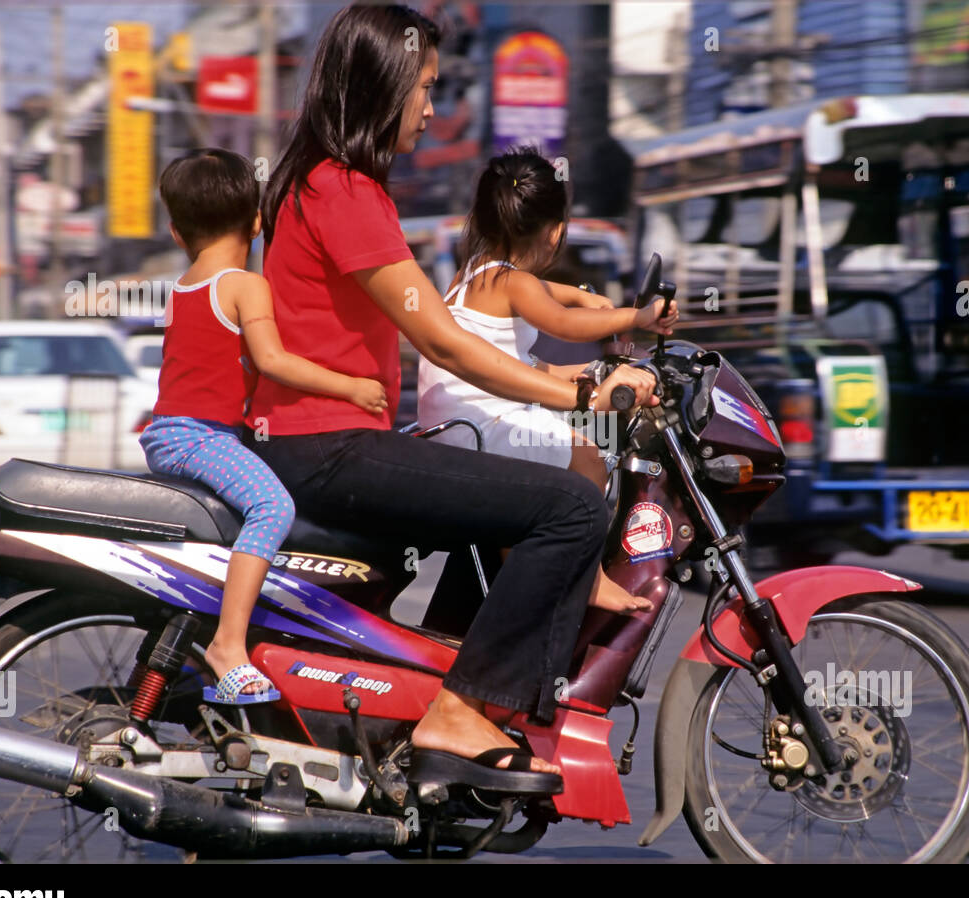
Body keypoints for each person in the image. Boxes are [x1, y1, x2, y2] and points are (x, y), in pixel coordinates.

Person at [250, 4, 658, 781]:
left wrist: (572, 378)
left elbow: (466, 336)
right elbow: (441, 338)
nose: (433, 110)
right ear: (383, 83)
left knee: (496, 493)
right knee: (570, 505)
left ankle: (441, 693)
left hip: (322, 441)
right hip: (329, 447)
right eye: (426, 88)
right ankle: (460, 713)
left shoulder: (323, 182)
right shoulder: (343, 190)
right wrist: (575, 399)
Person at [142, 147, 388, 703]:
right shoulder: (245, 285)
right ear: (257, 221)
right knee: (272, 507)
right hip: (197, 436)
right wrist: (350, 386)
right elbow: (273, 360)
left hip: (173, 433)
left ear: (177, 232)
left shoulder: (183, 286)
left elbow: (223, 367)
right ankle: (229, 644)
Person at [418, 146, 680, 614]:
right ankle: (590, 578)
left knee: (546, 467)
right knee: (589, 456)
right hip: (482, 426)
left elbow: (538, 322)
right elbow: (560, 321)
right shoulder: (515, 283)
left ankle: (520, 582)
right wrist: (636, 315)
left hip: (457, 425)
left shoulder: (472, 275)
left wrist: (588, 309)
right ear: (557, 230)